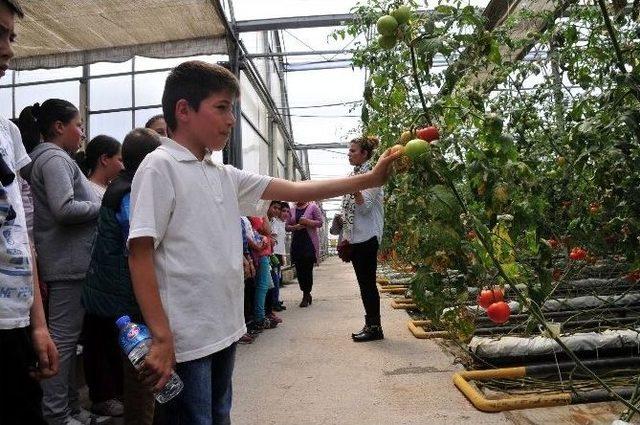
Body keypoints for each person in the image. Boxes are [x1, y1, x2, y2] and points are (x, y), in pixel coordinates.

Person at [126, 60, 400, 425]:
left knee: (219, 416)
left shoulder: (223, 173)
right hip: (185, 339)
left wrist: (369, 179)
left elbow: (300, 189)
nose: (231, 120)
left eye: (233, 110)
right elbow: (139, 254)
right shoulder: (159, 167)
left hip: (223, 328)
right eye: (221, 108)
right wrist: (161, 336)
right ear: (183, 110)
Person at [20, 98, 101, 425]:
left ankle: (69, 408)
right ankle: (56, 415)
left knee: (67, 342)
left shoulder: (48, 159)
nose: (81, 133)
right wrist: (103, 205)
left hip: (66, 261)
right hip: (66, 264)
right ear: (58, 127)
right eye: (78, 125)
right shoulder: (54, 159)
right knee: (64, 343)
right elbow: (64, 209)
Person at [0, 2, 59, 424]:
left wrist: (37, 322)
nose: (8, 50)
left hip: (14, 321)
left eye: (11, 37)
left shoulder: (7, 131)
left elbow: (20, 232)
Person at [82, 128, 161, 424]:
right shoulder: (130, 193)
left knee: (137, 370)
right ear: (150, 161)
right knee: (143, 373)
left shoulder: (122, 185)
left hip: (117, 292)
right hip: (128, 297)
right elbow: (139, 248)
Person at [342, 136, 385, 342]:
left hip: (368, 237)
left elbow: (365, 207)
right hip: (358, 238)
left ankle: (375, 328)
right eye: (349, 150)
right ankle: (371, 324)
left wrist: (353, 189)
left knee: (367, 284)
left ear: (364, 154)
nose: (348, 154)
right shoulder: (355, 174)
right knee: (364, 284)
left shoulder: (373, 176)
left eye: (353, 151)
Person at [287, 201, 323, 307]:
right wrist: (295, 227)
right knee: (299, 270)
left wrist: (308, 222)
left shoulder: (313, 207)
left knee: (307, 269)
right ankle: (305, 292)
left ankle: (306, 294)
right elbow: (287, 226)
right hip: (297, 243)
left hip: (309, 243)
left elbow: (320, 223)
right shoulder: (292, 209)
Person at [77, 135, 123, 199]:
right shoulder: (91, 193)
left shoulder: (112, 189)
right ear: (104, 159)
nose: (123, 166)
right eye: (120, 160)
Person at [269, 201, 286, 312]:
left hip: (277, 253)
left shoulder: (275, 221)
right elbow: (273, 236)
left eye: (278, 209)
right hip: (271, 253)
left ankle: (275, 300)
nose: (277, 210)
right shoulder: (271, 221)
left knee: (277, 278)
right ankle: (273, 302)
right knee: (274, 279)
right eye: (274, 208)